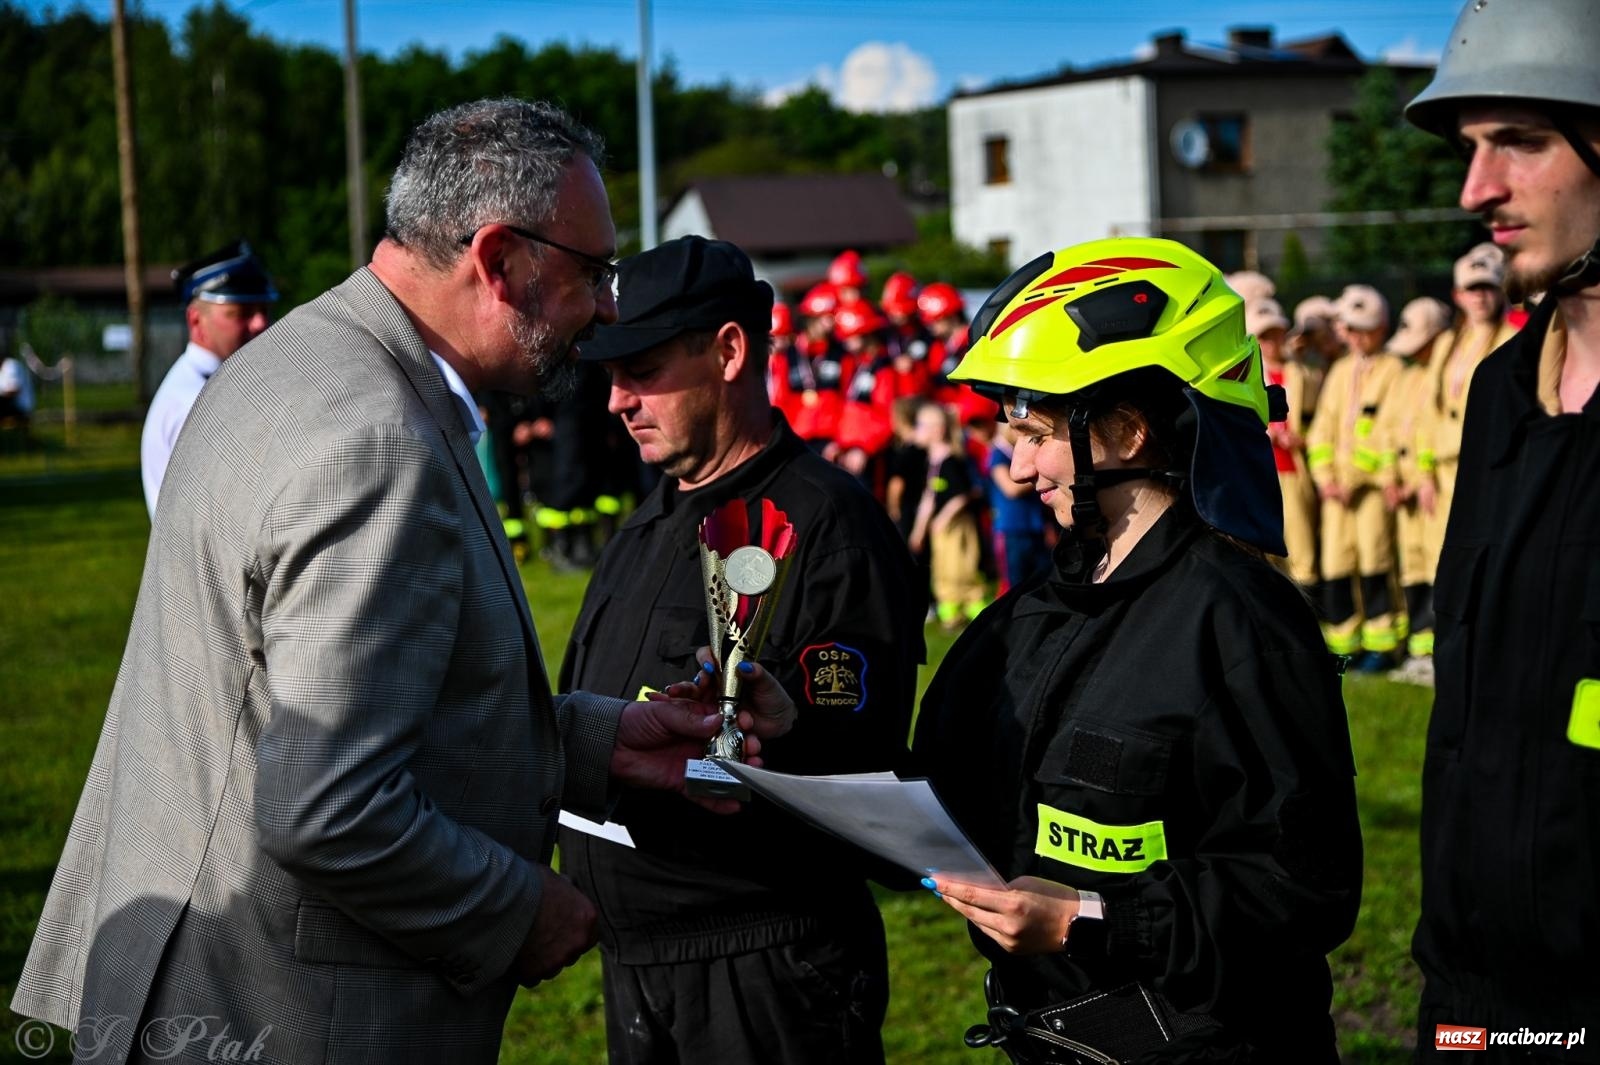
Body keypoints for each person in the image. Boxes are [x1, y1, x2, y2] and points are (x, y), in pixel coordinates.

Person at [10, 99, 793, 1065]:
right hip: (281, 1010)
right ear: (500, 260)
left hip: (191, 975)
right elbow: (329, 805)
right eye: (593, 273)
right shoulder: (374, 438)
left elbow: (302, 705)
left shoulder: (290, 362)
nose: (605, 306)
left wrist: (602, 740)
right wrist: (521, 910)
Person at [913, 238, 1361, 1064]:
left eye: (1034, 433)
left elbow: (1305, 889)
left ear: (1124, 430)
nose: (1014, 469)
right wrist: (796, 725)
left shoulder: (1241, 623)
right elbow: (925, 787)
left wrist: (1088, 914)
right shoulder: (1029, 616)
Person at [560, 234, 925, 1065]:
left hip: (762, 978)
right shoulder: (649, 519)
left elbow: (857, 760)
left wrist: (788, 726)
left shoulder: (827, 527)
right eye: (609, 374)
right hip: (637, 972)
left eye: (642, 369)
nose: (616, 399)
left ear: (728, 351)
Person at [1404, 1, 1600, 1054]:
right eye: (1472, 149)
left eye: (1520, 140)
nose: (1477, 189)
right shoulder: (1496, 393)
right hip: (1473, 991)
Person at [140, 240, 278, 517]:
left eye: (263, 310)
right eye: (241, 313)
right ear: (195, 320)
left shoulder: (217, 384)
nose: (260, 323)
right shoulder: (193, 401)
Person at [1306, 284, 1405, 668]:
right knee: (1337, 564)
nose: (1357, 337)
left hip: (1370, 489)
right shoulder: (1341, 370)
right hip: (1336, 492)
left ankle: (1382, 642)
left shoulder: (1394, 369)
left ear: (1381, 328)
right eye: (1351, 329)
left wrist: (1356, 476)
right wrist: (1325, 476)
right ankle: (1345, 640)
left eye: (1365, 329)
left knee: (1375, 560)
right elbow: (1323, 430)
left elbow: (1391, 428)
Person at [1378, 296, 1453, 685]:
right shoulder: (1406, 377)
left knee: (1439, 567)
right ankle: (1419, 649)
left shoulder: (1441, 377)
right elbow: (1388, 429)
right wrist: (1391, 476)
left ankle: (1438, 650)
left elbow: (1434, 431)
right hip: (1405, 490)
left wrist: (1421, 478)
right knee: (1413, 569)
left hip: (1432, 490)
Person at [1252, 296, 1319, 594]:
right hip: (1263, 470)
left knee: (1302, 544)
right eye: (1264, 336)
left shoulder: (1304, 374)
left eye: (1276, 334)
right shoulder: (1248, 376)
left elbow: (1319, 419)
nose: (1271, 343)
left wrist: (1304, 437)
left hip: (1294, 468)